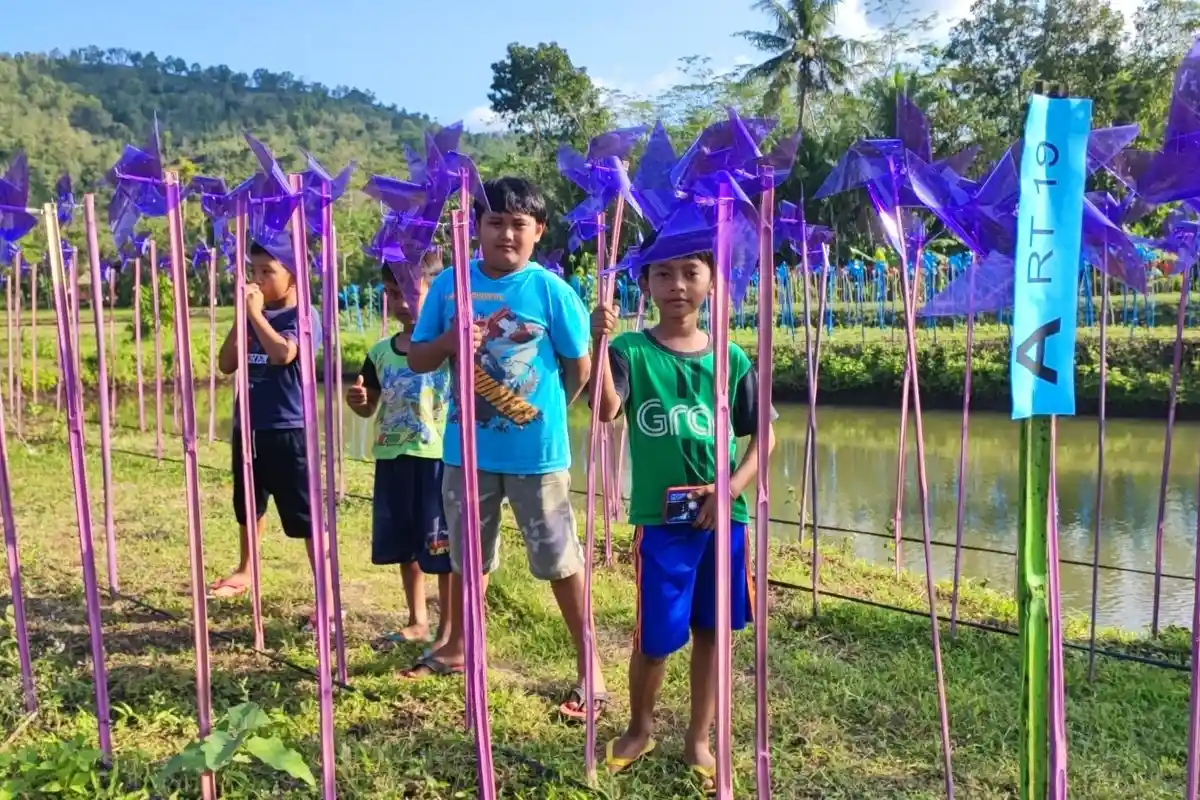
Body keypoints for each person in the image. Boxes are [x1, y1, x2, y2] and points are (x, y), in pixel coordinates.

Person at [405, 176, 606, 719]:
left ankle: (592, 672)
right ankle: (463, 649)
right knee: (469, 561)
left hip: (538, 460)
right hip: (464, 457)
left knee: (562, 564)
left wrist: (544, 414)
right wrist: (451, 343)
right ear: (477, 228)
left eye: (519, 224)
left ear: (538, 231)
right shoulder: (450, 286)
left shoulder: (551, 292)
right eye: (495, 222)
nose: (506, 234)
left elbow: (579, 364)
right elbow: (420, 358)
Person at [589, 242, 776, 788]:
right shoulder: (629, 351)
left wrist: (729, 488)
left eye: (690, 272)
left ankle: (699, 737)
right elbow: (605, 409)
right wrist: (598, 345)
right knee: (654, 637)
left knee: (712, 632)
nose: (677, 285)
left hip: (725, 521)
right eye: (663, 274)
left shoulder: (732, 358)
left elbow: (764, 438)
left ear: (712, 281)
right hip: (661, 522)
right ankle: (638, 728)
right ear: (645, 283)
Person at [211, 242, 327, 631]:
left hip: (289, 429)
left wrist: (256, 317)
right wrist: (243, 320)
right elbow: (227, 364)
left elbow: (282, 354)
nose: (257, 280)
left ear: (294, 273)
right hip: (250, 425)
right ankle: (246, 569)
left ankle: (325, 597)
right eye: (253, 271)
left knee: (306, 516)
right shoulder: (252, 315)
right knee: (248, 504)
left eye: (267, 272)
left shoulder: (304, 314)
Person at [347, 254, 453, 654]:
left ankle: (448, 628)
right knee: (405, 545)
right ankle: (417, 620)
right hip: (393, 459)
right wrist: (357, 400)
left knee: (441, 548)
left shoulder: (448, 347)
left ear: (436, 291)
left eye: (412, 292)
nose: (402, 302)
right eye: (393, 293)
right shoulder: (379, 352)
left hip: (438, 458)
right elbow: (368, 405)